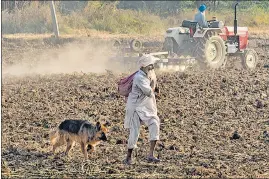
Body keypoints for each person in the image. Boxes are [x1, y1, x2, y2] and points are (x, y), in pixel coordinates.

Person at [123, 54, 160, 165]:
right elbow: (149, 91)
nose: (152, 67)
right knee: (134, 132)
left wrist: (155, 84)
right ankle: (128, 157)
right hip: (135, 107)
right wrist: (153, 83)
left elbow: (155, 88)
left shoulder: (148, 74)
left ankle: (151, 155)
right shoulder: (139, 78)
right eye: (150, 65)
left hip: (146, 106)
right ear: (145, 66)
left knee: (155, 123)